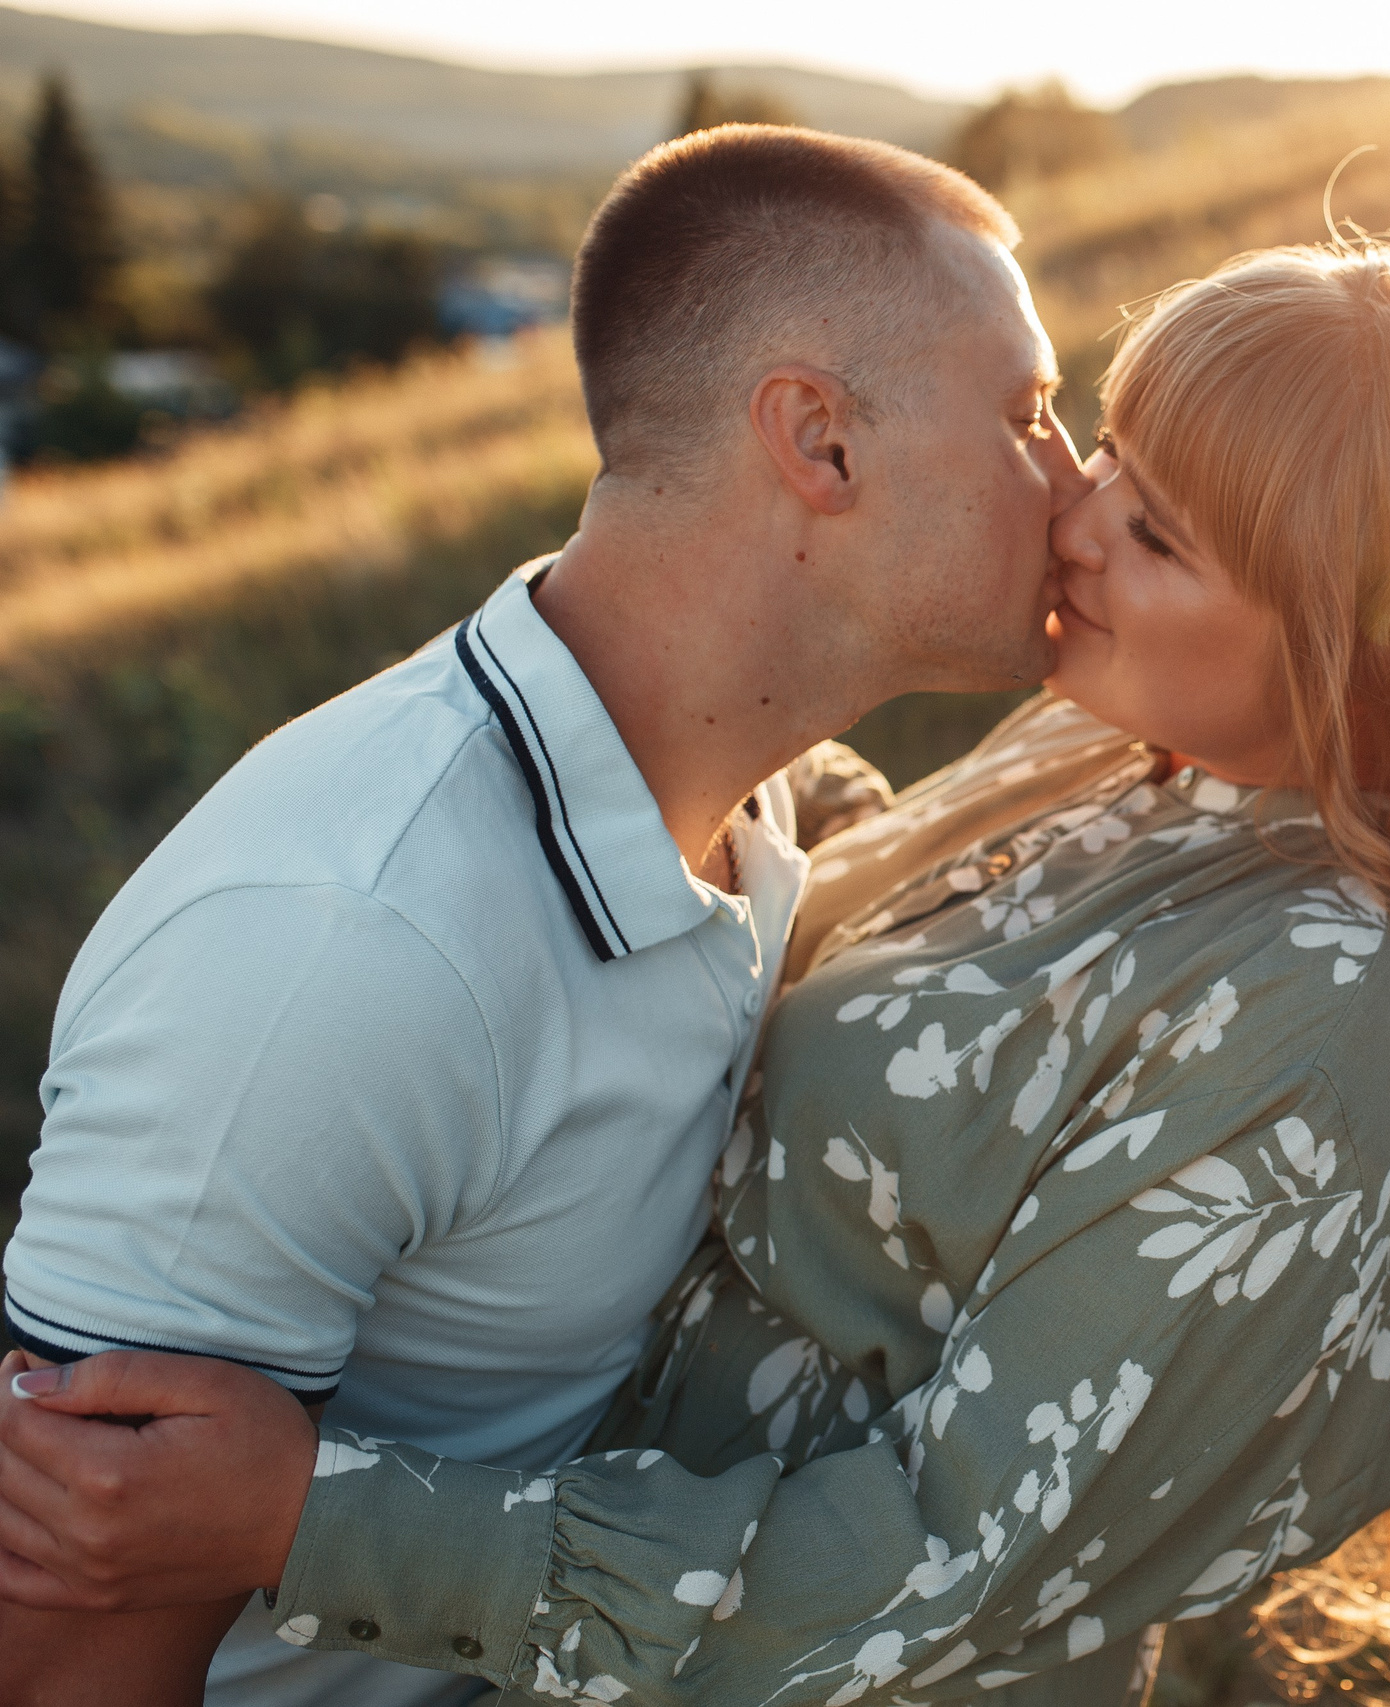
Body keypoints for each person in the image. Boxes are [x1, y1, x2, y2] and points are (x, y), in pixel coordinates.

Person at [2, 237, 1390, 1706]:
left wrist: (310, 1519)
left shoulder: (1331, 1020)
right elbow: (886, 913)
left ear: (1364, 644)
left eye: (1162, 534)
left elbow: (940, 1571)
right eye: (1108, 451)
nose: (1076, 516)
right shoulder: (1124, 761)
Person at [0, 124, 1088, 1707]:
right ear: (821, 443)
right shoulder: (345, 948)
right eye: (1029, 414)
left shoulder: (763, 798)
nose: (1077, 479)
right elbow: (62, 1662)